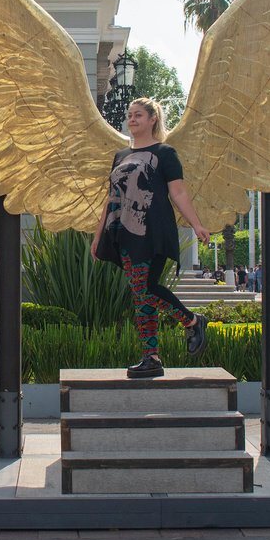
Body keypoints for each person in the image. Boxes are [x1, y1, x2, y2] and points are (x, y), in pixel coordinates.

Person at [91, 98, 211, 379]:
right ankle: (152, 358)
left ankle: (192, 321)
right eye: (130, 116)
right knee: (141, 292)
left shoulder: (165, 153)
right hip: (123, 233)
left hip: (153, 230)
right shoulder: (120, 155)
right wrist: (98, 237)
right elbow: (111, 198)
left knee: (144, 288)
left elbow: (178, 193)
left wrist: (196, 225)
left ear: (152, 119)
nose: (132, 120)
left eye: (138, 116)